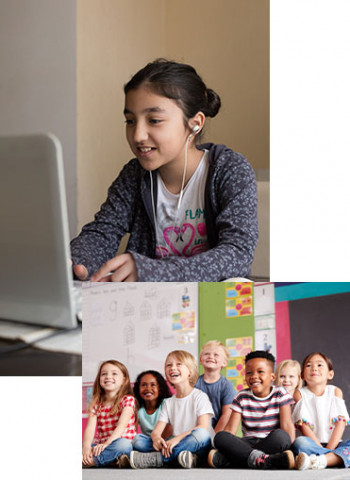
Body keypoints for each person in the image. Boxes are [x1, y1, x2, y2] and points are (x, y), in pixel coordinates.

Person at [70, 58, 258, 282]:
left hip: (213, 308)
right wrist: (75, 261)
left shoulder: (230, 170)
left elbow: (237, 254)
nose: (138, 135)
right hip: (152, 306)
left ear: (195, 123)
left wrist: (155, 271)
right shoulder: (134, 175)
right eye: (130, 121)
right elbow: (103, 232)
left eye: (154, 120)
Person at [209, 350, 296, 469]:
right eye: (249, 373)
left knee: (282, 436)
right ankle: (266, 460)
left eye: (260, 372)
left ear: (272, 376)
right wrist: (225, 443)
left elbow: (287, 424)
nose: (254, 376)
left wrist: (291, 447)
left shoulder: (280, 393)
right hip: (247, 442)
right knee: (220, 437)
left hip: (270, 441)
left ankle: (234, 460)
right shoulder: (241, 397)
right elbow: (230, 430)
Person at [129, 350, 214, 469]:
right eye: (169, 365)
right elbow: (156, 431)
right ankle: (181, 458)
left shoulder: (200, 396)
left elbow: (203, 427)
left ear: (190, 372)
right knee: (138, 440)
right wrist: (157, 439)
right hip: (173, 443)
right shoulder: (168, 402)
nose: (172, 368)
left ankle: (158, 459)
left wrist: (177, 439)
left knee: (201, 434)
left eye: (178, 364)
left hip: (196, 444)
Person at [292, 352, 350, 470]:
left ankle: (320, 460)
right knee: (300, 443)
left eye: (319, 365)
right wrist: (326, 451)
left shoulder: (335, 392)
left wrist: (331, 448)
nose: (314, 368)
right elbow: (303, 426)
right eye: (308, 365)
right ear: (302, 375)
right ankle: (332, 459)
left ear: (330, 374)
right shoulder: (299, 393)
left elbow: (341, 423)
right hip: (311, 445)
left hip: (335, 444)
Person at [82, 360, 136, 467]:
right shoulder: (96, 404)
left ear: (124, 380)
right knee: (81, 446)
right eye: (104, 374)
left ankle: (94, 462)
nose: (108, 376)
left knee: (123, 446)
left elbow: (121, 426)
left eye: (114, 373)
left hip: (118, 443)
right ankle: (112, 460)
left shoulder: (128, 400)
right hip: (100, 445)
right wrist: (86, 446)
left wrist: (107, 444)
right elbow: (90, 429)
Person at [195, 340, 236, 432]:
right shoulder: (194, 383)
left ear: (224, 363)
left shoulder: (227, 385)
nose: (210, 357)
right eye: (206, 354)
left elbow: (226, 415)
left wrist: (213, 437)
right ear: (201, 360)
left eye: (216, 355)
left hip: (219, 431)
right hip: (198, 429)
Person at [133, 370, 172, 442]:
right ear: (138, 388)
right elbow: (132, 430)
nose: (148, 389)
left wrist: (158, 441)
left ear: (160, 388)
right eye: (144, 385)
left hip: (166, 439)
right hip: (149, 442)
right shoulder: (138, 408)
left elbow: (170, 428)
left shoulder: (167, 403)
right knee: (137, 440)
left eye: (153, 385)